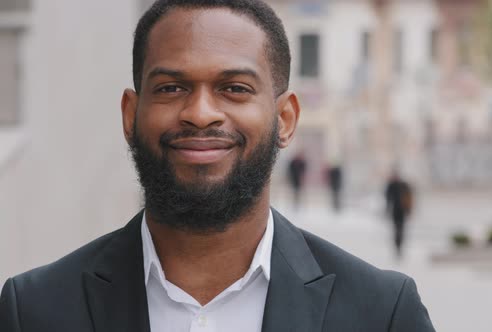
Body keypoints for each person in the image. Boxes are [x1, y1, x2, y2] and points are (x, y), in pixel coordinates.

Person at [0, 1, 435, 331]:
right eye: (171, 87)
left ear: (285, 119)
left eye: (234, 88)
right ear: (130, 116)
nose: (201, 113)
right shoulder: (35, 310)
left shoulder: (381, 313)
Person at [385, 170, 414, 259]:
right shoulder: (392, 185)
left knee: (400, 229)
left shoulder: (402, 185)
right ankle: (398, 247)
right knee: (397, 229)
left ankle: (399, 247)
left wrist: (409, 210)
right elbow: (388, 198)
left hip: (401, 211)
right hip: (396, 211)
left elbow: (409, 198)